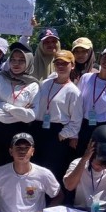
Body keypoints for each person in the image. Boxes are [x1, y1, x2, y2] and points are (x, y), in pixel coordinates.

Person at [0, 40, 38, 189]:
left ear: (28, 62)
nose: (16, 64)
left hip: (20, 134)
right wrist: (19, 112)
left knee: (15, 170)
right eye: (13, 59)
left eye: (21, 60)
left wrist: (5, 105)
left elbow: (31, 115)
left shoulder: (33, 85)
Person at [0, 133, 62, 212]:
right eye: (18, 147)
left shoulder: (44, 174)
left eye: (26, 147)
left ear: (32, 151)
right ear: (11, 151)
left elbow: (59, 196)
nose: (22, 151)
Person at [32, 50, 82, 191]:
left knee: (53, 171)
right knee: (36, 168)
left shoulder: (73, 91)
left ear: (72, 66)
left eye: (64, 63)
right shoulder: (45, 84)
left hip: (56, 133)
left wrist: (61, 135)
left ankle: (52, 203)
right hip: (39, 128)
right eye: (57, 63)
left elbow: (75, 121)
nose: (60, 66)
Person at [75, 47, 106, 156]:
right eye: (105, 57)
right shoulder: (86, 78)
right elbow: (77, 106)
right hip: (84, 126)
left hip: (102, 130)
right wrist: (74, 133)